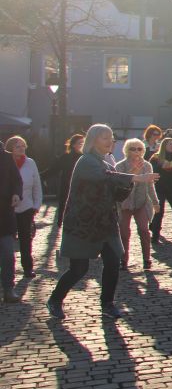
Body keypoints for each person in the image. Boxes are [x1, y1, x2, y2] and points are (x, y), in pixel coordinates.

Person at [47, 124, 159, 319]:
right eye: (105, 137)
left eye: (111, 137)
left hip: (106, 223)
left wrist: (131, 179)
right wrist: (136, 177)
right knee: (79, 269)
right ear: (93, 140)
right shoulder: (86, 161)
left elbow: (117, 194)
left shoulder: (107, 164)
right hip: (83, 225)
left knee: (113, 261)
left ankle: (107, 303)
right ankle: (55, 299)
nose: (110, 141)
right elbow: (104, 178)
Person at [114, 138, 159, 272]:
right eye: (133, 149)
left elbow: (150, 186)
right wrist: (133, 171)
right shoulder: (120, 166)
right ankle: (123, 260)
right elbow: (119, 185)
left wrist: (156, 202)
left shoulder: (147, 165)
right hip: (124, 204)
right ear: (127, 151)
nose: (136, 151)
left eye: (139, 148)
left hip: (141, 202)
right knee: (124, 233)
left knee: (144, 230)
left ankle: (147, 259)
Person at [5, 137, 41, 279]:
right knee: (7, 240)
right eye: (18, 146)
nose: (21, 149)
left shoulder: (30, 163)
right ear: (10, 148)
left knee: (26, 239)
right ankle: (8, 270)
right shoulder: (5, 162)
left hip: (26, 207)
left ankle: (27, 268)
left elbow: (37, 185)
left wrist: (36, 205)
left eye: (23, 146)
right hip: (8, 208)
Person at [45, 133, 84, 227]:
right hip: (67, 188)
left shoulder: (85, 157)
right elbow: (53, 170)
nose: (82, 145)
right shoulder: (66, 157)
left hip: (82, 189)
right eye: (80, 143)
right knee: (65, 210)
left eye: (83, 143)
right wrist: (38, 176)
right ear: (73, 145)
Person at [0, 143, 20, 303]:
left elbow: (17, 180)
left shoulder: (6, 157)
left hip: (4, 216)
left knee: (7, 255)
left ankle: (8, 288)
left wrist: (16, 194)